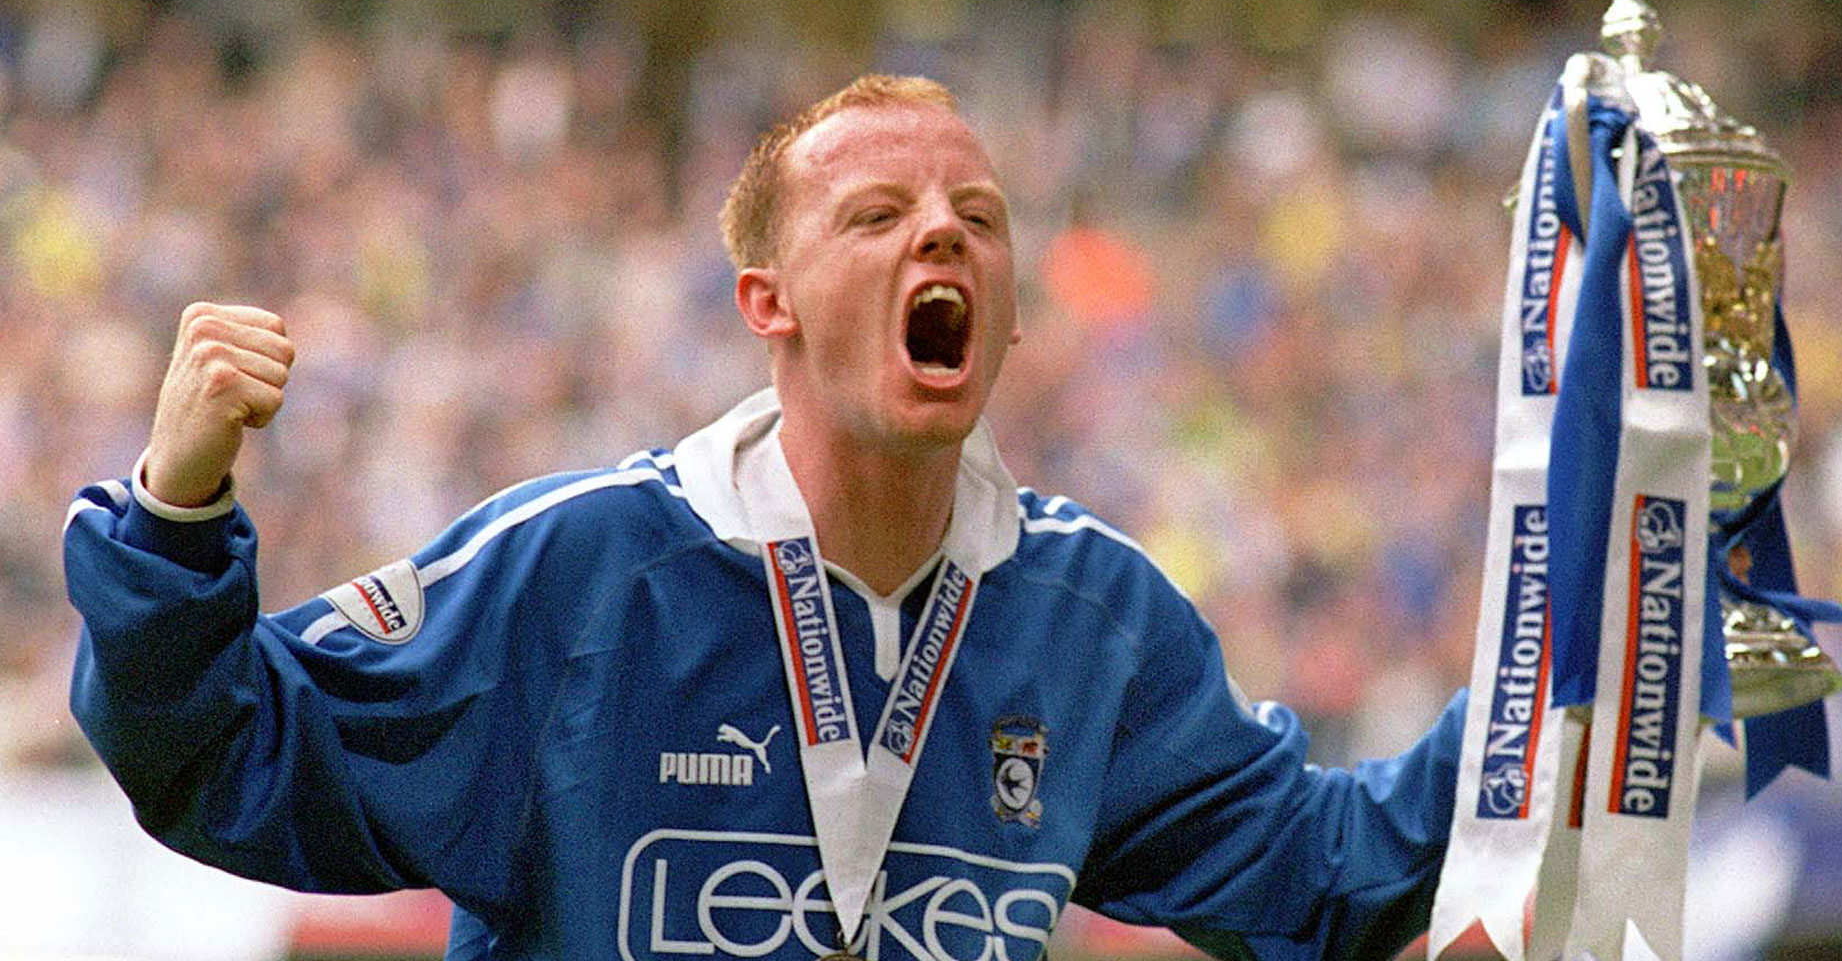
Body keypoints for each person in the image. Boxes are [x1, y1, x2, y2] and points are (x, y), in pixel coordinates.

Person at [64, 74, 1466, 961]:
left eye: (976, 214)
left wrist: (1564, 634)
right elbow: (223, 758)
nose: (941, 232)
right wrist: (177, 508)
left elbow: (1326, 885)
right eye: (876, 215)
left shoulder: (1090, 618)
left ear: (1015, 312)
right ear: (767, 306)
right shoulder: (581, 573)